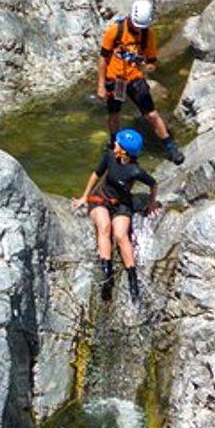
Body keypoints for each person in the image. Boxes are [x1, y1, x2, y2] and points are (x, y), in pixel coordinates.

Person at [71, 128, 158, 304]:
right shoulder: (110, 156)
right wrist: (84, 197)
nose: (115, 144)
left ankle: (133, 280)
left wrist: (152, 203)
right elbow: (96, 174)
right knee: (104, 227)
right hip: (100, 199)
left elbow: (154, 184)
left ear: (124, 151)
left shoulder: (135, 171)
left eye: (118, 143)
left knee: (120, 235)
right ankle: (107, 274)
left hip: (122, 204)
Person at [96, 0, 185, 165]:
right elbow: (103, 58)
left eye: (141, 27)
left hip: (135, 79)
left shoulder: (147, 36)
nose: (138, 29)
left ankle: (170, 147)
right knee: (114, 114)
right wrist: (101, 85)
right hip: (116, 80)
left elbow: (152, 63)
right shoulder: (115, 31)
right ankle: (114, 144)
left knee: (152, 115)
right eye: (136, 25)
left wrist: (144, 66)